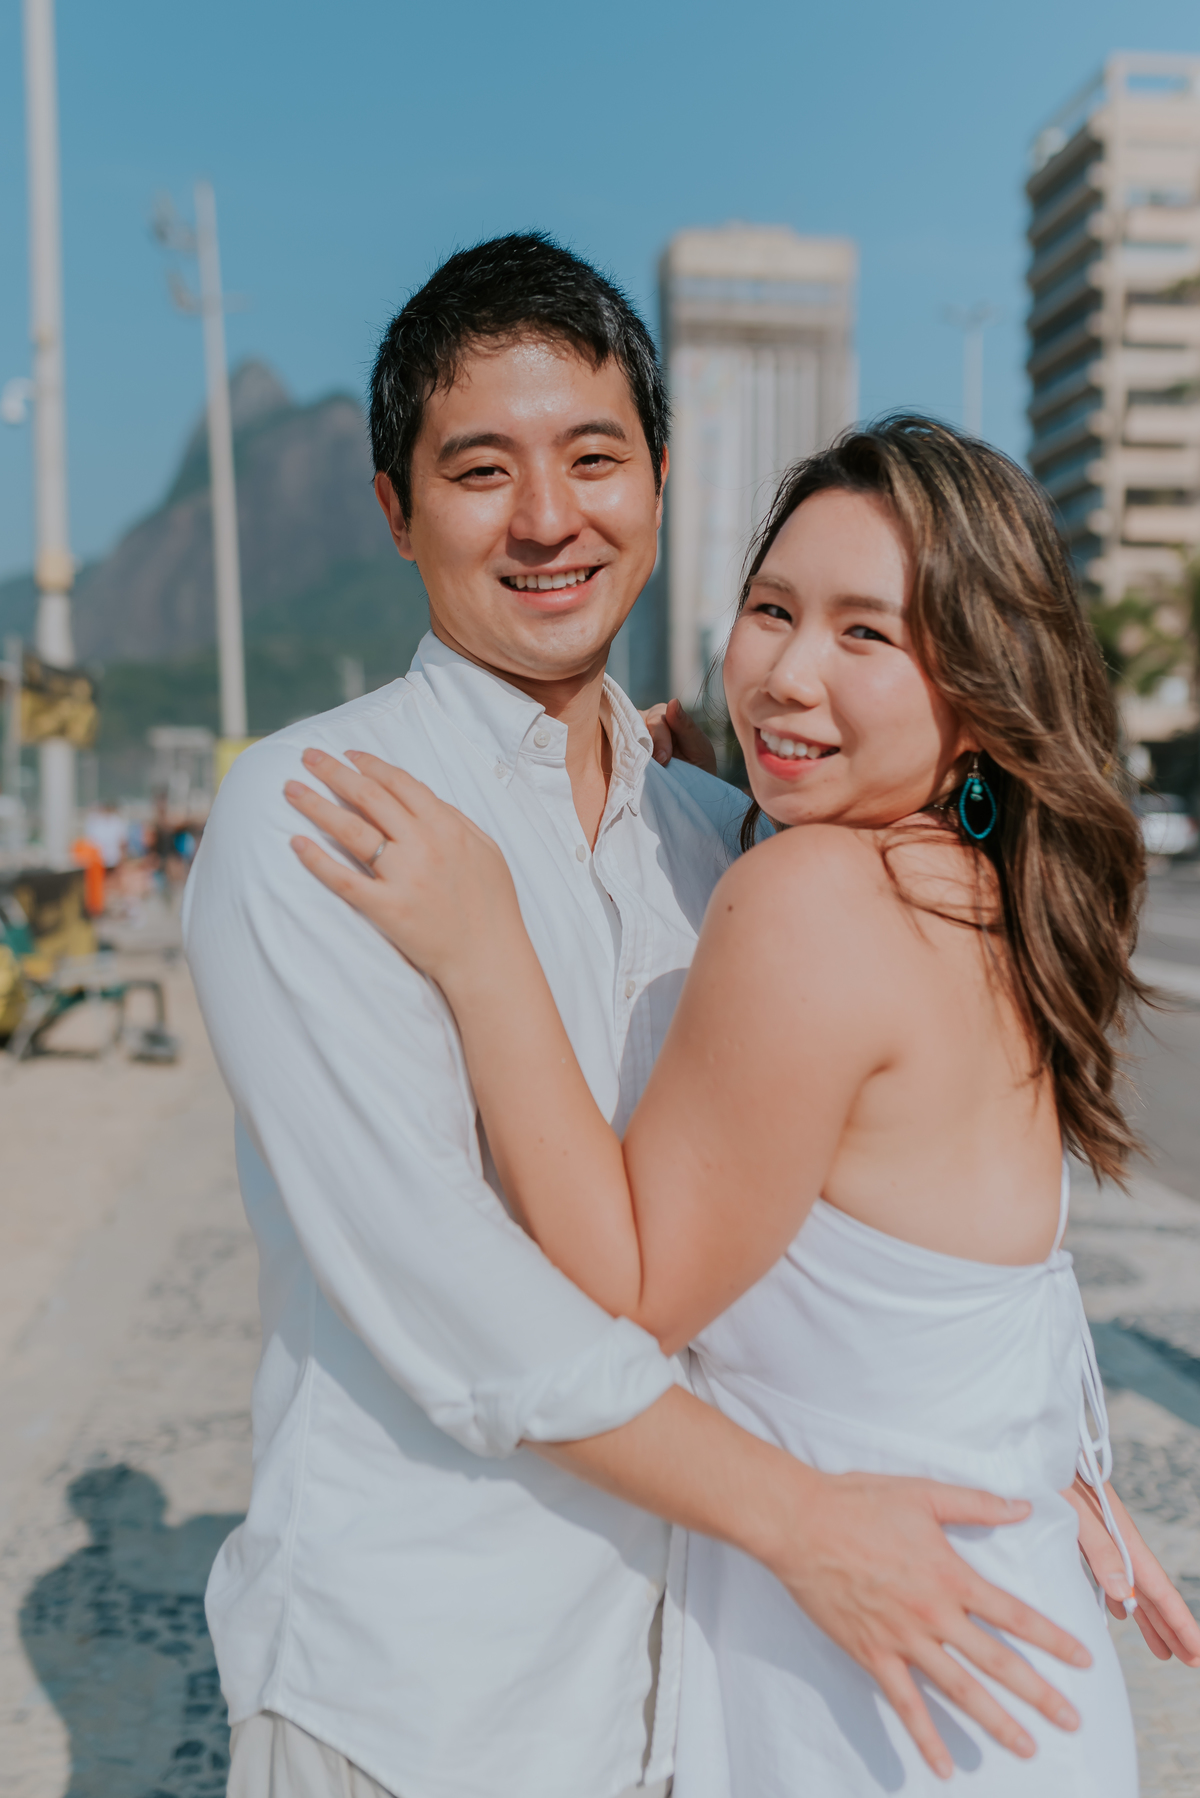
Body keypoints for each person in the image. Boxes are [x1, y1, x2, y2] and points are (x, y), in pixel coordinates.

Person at [185, 236, 1192, 1798]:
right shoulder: (326, 817)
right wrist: (813, 1513)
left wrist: (1031, 1455)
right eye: (478, 469)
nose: (546, 516)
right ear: (393, 508)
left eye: (594, 457)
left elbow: (941, 1237)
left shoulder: (726, 836)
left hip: (706, 1692)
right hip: (429, 1695)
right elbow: (466, 1309)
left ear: (658, 483)